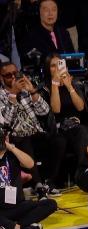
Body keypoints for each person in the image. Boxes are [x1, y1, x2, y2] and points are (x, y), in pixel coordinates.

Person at [0, 61, 53, 200]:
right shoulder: (1, 96)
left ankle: (49, 183)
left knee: (58, 140)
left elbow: (44, 111)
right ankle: (39, 186)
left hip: (35, 132)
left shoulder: (25, 91)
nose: (13, 77)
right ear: (1, 78)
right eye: (8, 75)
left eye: (15, 73)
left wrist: (33, 91)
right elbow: (6, 122)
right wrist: (13, 94)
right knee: (24, 140)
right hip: (14, 137)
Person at [40, 53, 87, 195]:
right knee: (60, 141)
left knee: (82, 131)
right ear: (48, 69)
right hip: (56, 129)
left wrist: (69, 86)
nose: (56, 69)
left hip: (74, 127)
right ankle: (50, 181)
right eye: (52, 66)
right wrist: (55, 85)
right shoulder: (45, 88)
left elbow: (80, 107)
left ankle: (84, 175)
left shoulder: (74, 83)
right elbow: (56, 109)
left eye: (59, 65)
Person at [0, 128, 56, 229]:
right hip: (1, 211)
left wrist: (11, 147)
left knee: (50, 204)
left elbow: (30, 164)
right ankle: (21, 228)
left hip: (18, 206)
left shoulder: (12, 155)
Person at [20, 0, 74, 66]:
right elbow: (31, 59)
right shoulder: (31, 36)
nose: (50, 13)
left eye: (54, 10)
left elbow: (72, 56)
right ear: (39, 13)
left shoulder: (64, 33)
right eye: (46, 10)